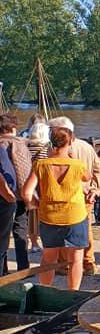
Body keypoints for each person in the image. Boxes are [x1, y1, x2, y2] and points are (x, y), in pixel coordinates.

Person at [21, 126, 91, 290]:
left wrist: (36, 204)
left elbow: (26, 193)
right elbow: (88, 177)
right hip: (75, 216)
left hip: (49, 216)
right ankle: (72, 294)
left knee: (48, 258)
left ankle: (46, 291)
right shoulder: (77, 165)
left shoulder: (40, 165)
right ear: (71, 141)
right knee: (76, 259)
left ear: (51, 141)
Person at [48, 117, 100, 276]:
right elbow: (98, 169)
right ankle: (88, 262)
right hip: (86, 195)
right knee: (87, 229)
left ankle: (65, 265)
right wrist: (96, 189)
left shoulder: (58, 150)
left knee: (64, 230)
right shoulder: (87, 147)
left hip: (68, 196)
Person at [0, 114, 33, 273]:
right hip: (18, 194)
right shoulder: (20, 144)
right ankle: (23, 267)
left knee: (2, 233)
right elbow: (24, 170)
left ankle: (4, 268)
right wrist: (28, 195)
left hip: (5, 193)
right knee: (20, 230)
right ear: (12, 127)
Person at [26, 121, 49, 251]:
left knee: (31, 214)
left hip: (28, 182)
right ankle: (46, 242)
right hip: (42, 183)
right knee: (44, 214)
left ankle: (34, 243)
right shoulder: (47, 147)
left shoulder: (26, 145)